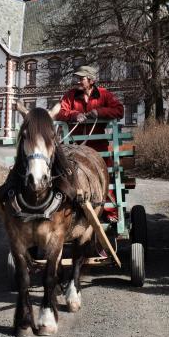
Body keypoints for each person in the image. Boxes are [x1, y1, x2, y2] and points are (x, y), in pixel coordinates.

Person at [55, 65, 123, 222]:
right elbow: (60, 112)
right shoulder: (70, 95)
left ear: (91, 80)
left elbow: (119, 110)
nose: (78, 81)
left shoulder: (104, 95)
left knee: (105, 174)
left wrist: (100, 112)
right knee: (69, 176)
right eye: (78, 78)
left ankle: (109, 212)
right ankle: (70, 211)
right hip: (74, 146)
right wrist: (74, 114)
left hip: (98, 145)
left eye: (81, 78)